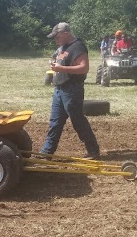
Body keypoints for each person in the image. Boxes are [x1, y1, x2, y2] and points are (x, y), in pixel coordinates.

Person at [40, 22, 100, 159]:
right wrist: (54, 63)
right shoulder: (63, 46)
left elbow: (84, 68)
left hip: (72, 89)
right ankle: (46, 152)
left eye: (57, 36)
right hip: (59, 89)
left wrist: (61, 69)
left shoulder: (78, 47)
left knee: (78, 120)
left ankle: (93, 150)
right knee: (55, 122)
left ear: (65, 33)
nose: (55, 39)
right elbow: (58, 58)